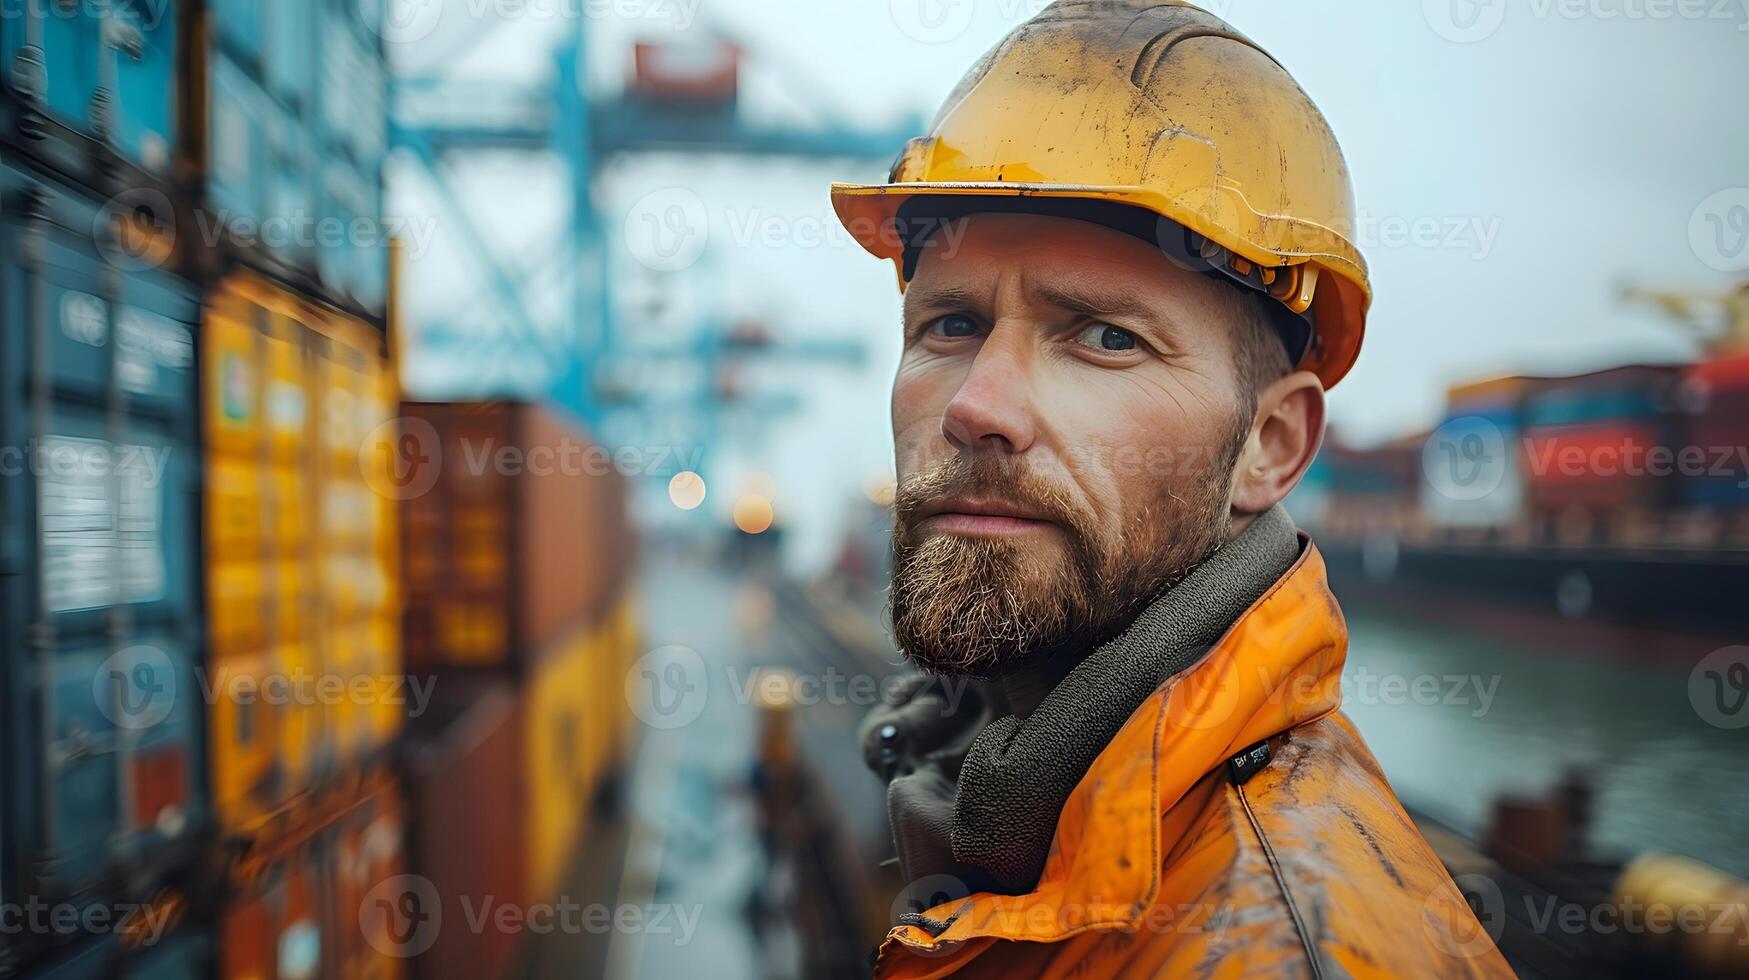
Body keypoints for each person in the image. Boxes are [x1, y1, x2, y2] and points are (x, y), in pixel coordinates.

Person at [833, 2, 1512, 976]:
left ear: (1270, 447)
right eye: (949, 325)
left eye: (1105, 336)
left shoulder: (1278, 951)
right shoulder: (986, 766)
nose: (979, 404)